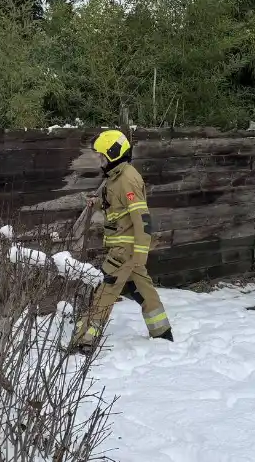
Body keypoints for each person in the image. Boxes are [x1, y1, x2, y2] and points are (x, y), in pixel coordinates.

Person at [68, 129, 172, 355]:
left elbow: (141, 218)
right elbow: (112, 204)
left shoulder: (128, 179)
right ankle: (162, 332)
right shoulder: (115, 178)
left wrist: (140, 253)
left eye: (102, 156)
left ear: (114, 154)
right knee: (144, 291)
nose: (99, 160)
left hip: (124, 251)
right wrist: (95, 202)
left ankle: (85, 339)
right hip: (124, 249)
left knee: (103, 291)